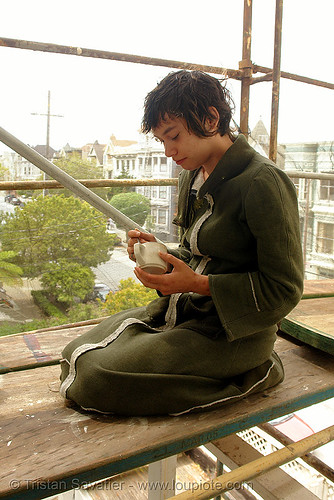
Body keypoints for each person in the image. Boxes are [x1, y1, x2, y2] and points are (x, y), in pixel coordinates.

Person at [60, 70, 304, 416]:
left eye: (173, 136)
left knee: (97, 378)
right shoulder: (191, 175)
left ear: (210, 117)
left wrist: (198, 284)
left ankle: (256, 371)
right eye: (161, 140)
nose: (168, 151)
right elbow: (195, 254)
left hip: (232, 332)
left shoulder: (263, 182)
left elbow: (286, 288)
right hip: (187, 310)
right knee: (76, 353)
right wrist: (158, 256)